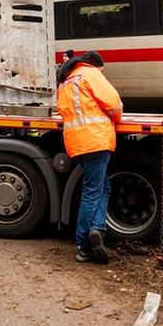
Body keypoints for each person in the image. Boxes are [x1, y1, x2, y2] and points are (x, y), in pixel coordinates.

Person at [56, 50, 122, 264]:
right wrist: (117, 117)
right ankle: (83, 245)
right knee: (92, 191)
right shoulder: (91, 74)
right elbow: (114, 104)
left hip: (77, 143)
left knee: (103, 188)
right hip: (96, 140)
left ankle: (97, 229)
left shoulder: (66, 82)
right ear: (96, 65)